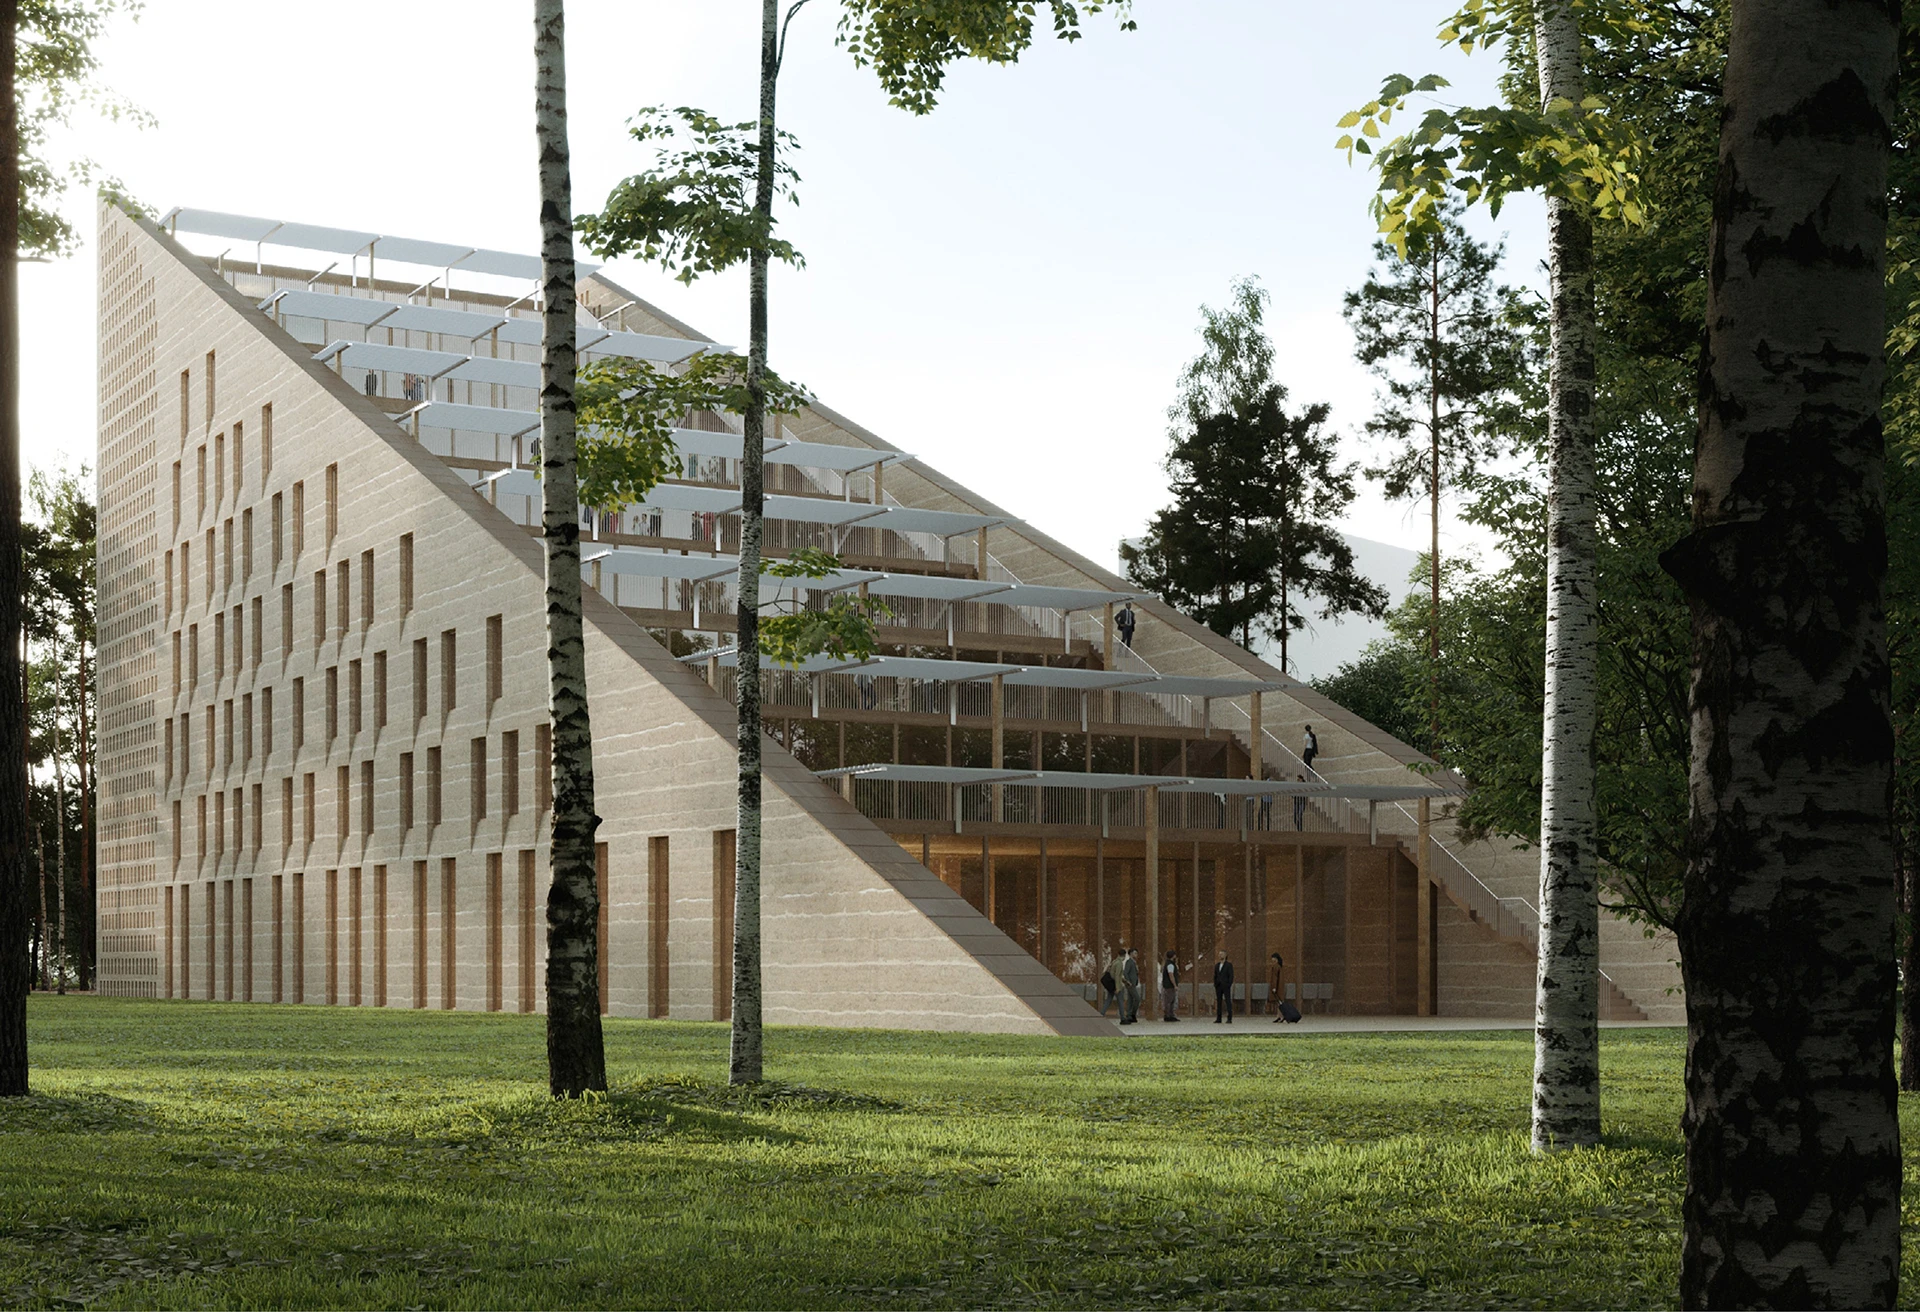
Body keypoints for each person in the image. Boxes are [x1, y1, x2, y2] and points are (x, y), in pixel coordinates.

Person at [1120, 948, 1142, 1024]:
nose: (1136, 955)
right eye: (1135, 953)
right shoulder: (1129, 962)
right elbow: (1125, 972)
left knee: (1130, 999)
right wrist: (1128, 981)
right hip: (1130, 984)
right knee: (1137, 998)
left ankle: (1129, 1015)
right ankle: (1132, 1013)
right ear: (1131, 954)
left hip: (1133, 983)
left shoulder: (1134, 962)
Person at [1213, 949, 1235, 1024]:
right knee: (1219, 1002)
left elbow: (1231, 976)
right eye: (1219, 954)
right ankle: (1219, 1018)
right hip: (1218, 986)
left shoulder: (1229, 965)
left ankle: (1229, 1018)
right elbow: (1215, 976)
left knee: (1228, 1001)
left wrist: (1228, 984)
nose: (1220, 955)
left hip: (1225, 986)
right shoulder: (1217, 965)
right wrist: (1215, 984)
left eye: (1222, 954)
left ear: (1225, 955)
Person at [1099, 951, 1122, 1018]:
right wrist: (1118, 987)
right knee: (1120, 1000)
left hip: (1110, 985)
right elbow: (1116, 975)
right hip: (1114, 984)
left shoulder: (1112, 963)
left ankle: (1102, 1013)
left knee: (1109, 999)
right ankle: (1122, 1016)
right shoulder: (1117, 963)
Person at [1160, 950, 1180, 1022]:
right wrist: (1175, 985)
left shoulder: (1168, 964)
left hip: (1167, 985)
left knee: (1170, 1000)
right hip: (1169, 986)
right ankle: (1168, 1015)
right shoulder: (1170, 965)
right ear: (1173, 956)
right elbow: (1171, 975)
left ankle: (1170, 1015)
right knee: (1169, 1001)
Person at [1267, 952, 1286, 1021]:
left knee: (1278, 1003)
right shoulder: (1280, 966)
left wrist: (1274, 987)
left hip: (1277, 987)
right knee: (1279, 1002)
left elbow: (1274, 978)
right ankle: (1279, 1016)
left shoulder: (1275, 967)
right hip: (1280, 987)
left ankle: (1280, 1016)